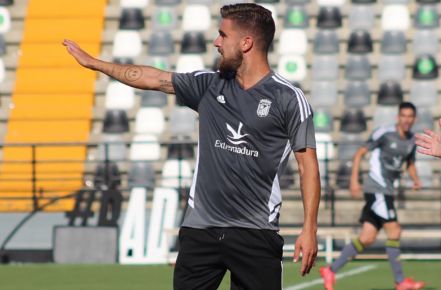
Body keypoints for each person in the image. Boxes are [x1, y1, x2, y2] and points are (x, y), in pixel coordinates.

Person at [64, 3, 321, 290]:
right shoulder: (209, 85)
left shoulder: (288, 98)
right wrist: (96, 64)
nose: (216, 42)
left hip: (255, 232)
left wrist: (309, 228)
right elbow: (153, 78)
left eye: (223, 35)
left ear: (246, 43)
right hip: (201, 231)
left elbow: (307, 166)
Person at [320, 102, 425, 290]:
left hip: (387, 192)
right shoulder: (383, 133)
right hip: (377, 190)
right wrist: (354, 180)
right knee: (394, 231)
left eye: (410, 116)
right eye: (403, 115)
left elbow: (409, 163)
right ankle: (400, 282)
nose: (407, 119)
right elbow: (359, 153)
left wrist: (415, 179)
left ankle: (331, 270)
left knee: (367, 238)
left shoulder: (411, 141)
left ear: (414, 119)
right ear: (398, 117)